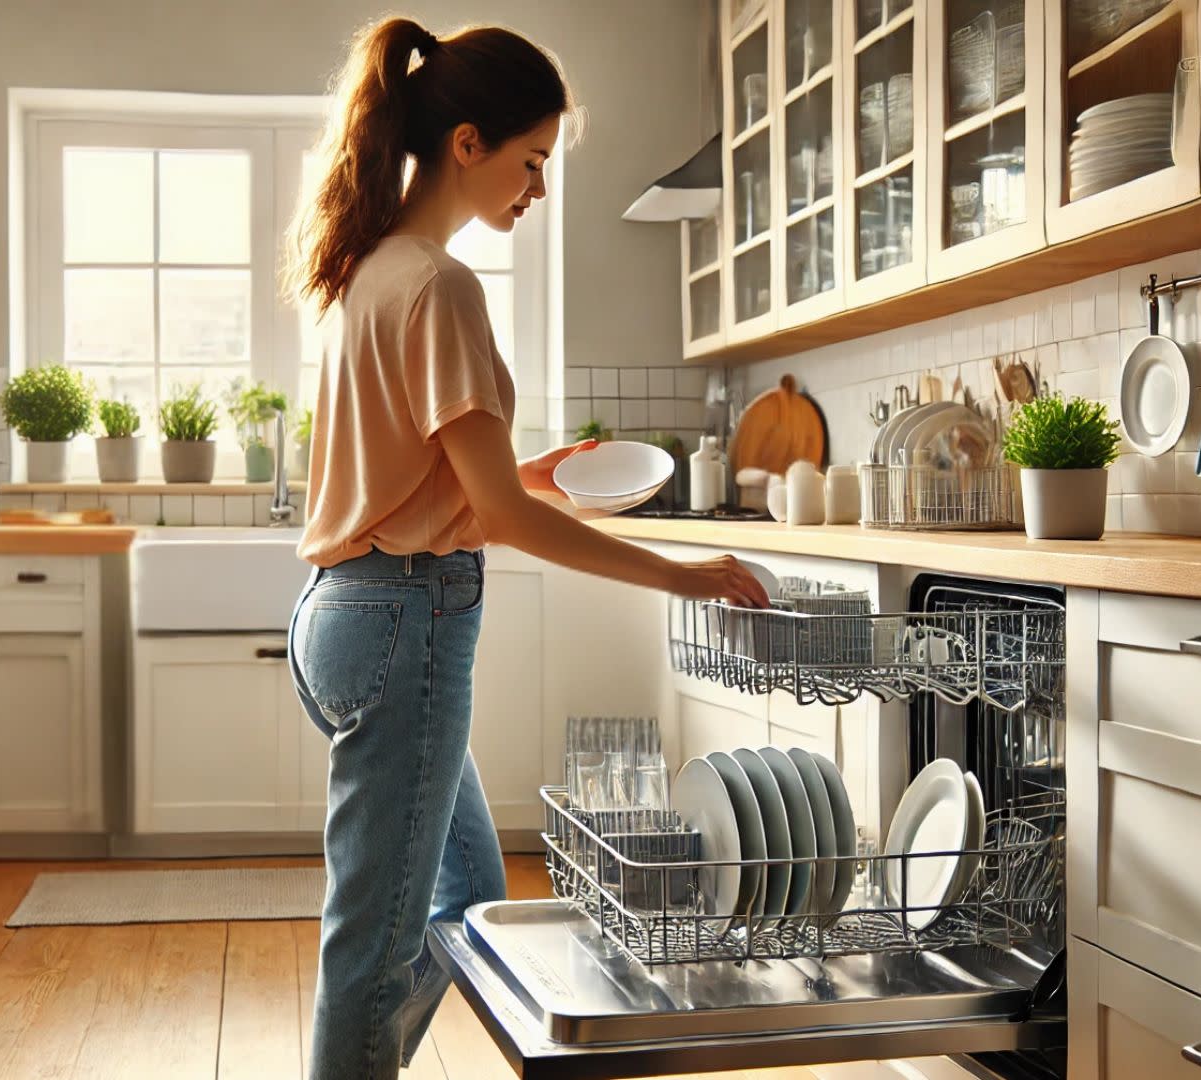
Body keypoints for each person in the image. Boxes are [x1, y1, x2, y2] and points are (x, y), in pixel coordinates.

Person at [281, 16, 770, 1080]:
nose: (539, 187)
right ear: (468, 144)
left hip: (343, 612)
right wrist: (681, 574)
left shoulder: (367, 271)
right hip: (402, 622)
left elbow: (444, 479)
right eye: (533, 160)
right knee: (374, 946)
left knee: (464, 901)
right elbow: (494, 517)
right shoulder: (440, 285)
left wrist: (520, 477)